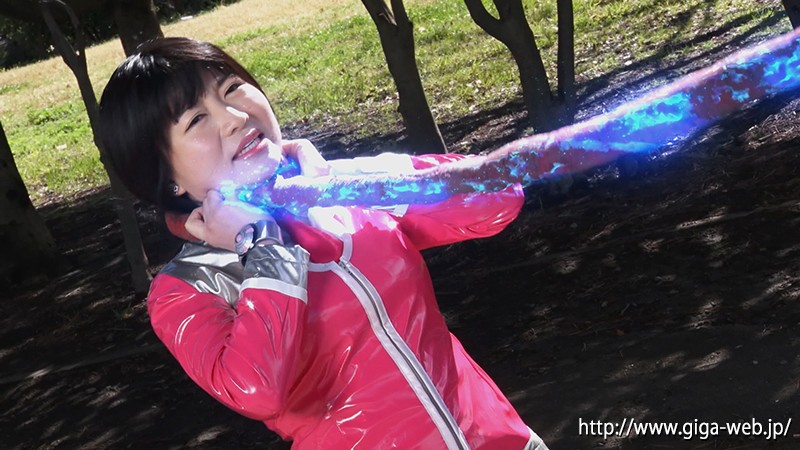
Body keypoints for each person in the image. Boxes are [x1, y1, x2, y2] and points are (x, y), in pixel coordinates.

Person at [99, 36, 548, 450]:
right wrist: (261, 244)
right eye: (197, 119)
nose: (235, 117)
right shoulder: (185, 288)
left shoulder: (337, 191)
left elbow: (496, 198)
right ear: (168, 178)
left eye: (232, 88)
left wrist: (339, 181)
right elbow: (256, 389)